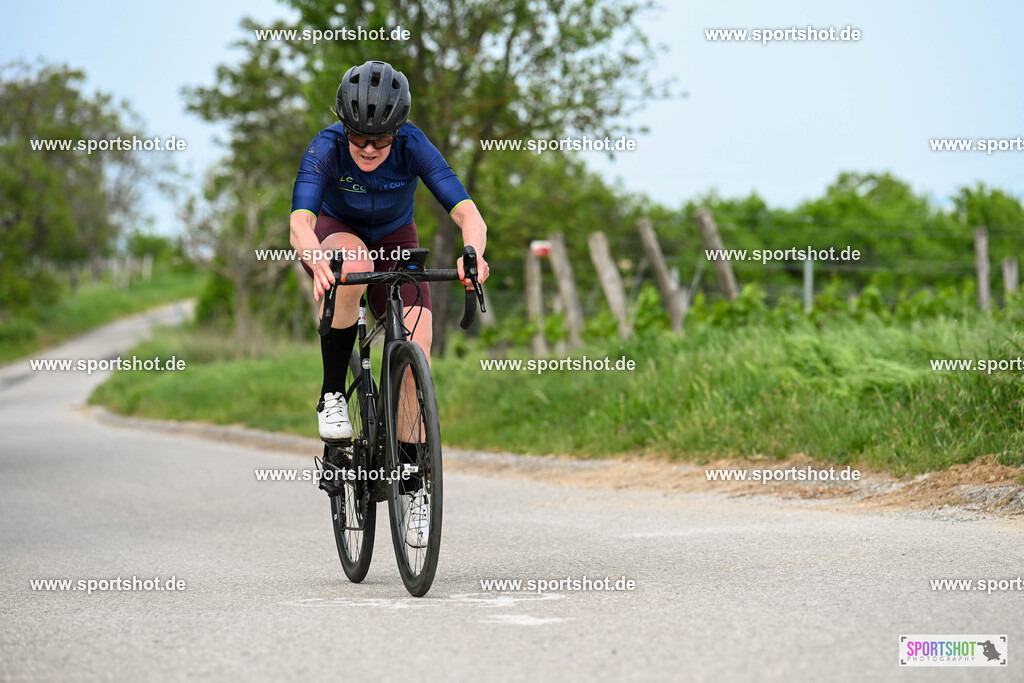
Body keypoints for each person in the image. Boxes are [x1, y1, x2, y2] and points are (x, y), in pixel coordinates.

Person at [289, 60, 489, 546]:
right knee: (353, 260)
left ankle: (413, 479)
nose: (371, 149)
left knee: (418, 336)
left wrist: (473, 255)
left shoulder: (413, 144)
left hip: (398, 241)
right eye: (360, 138)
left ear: (398, 131)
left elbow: (469, 215)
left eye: (382, 140)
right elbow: (299, 220)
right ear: (345, 126)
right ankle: (333, 393)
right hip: (338, 237)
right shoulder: (326, 147)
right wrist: (315, 258)